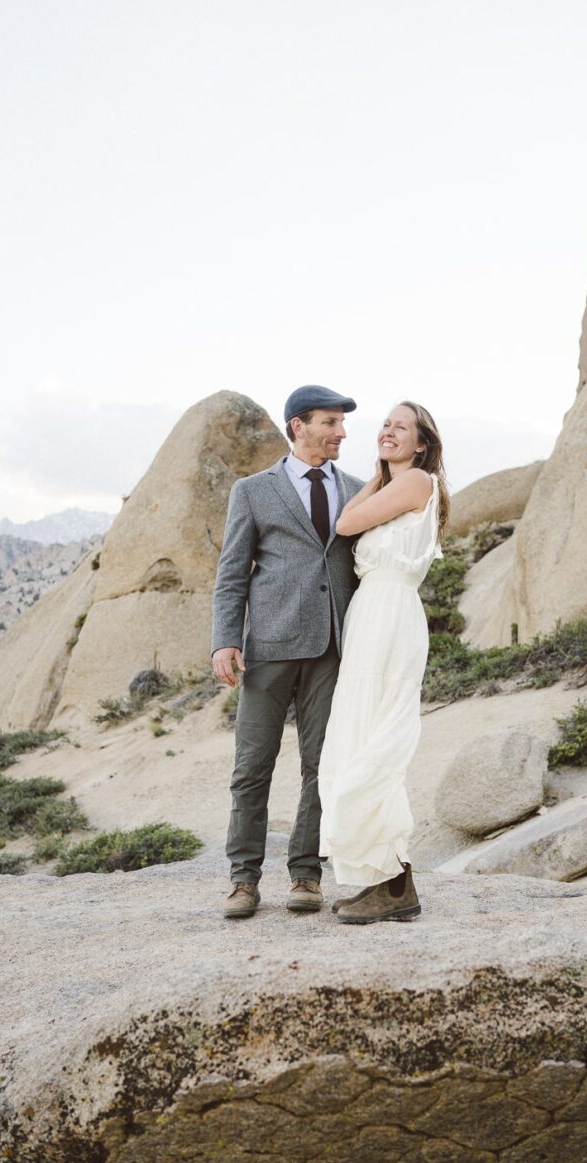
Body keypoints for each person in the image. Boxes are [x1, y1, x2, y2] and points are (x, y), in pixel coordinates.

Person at [211, 385, 364, 918]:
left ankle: (306, 874)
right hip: (269, 646)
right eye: (330, 422)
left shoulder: (359, 489)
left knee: (322, 766)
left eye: (342, 423)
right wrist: (225, 639)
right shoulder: (253, 491)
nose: (341, 432)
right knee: (252, 766)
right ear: (298, 426)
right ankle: (243, 881)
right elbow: (232, 573)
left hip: (331, 647)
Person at [318, 400, 449, 924]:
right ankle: (380, 878)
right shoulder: (393, 484)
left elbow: (348, 522)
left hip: (391, 612)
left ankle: (397, 884)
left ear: (421, 444)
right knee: (359, 735)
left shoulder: (416, 482)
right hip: (371, 614)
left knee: (378, 743)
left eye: (401, 426)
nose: (388, 431)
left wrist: (375, 477)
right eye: (385, 424)